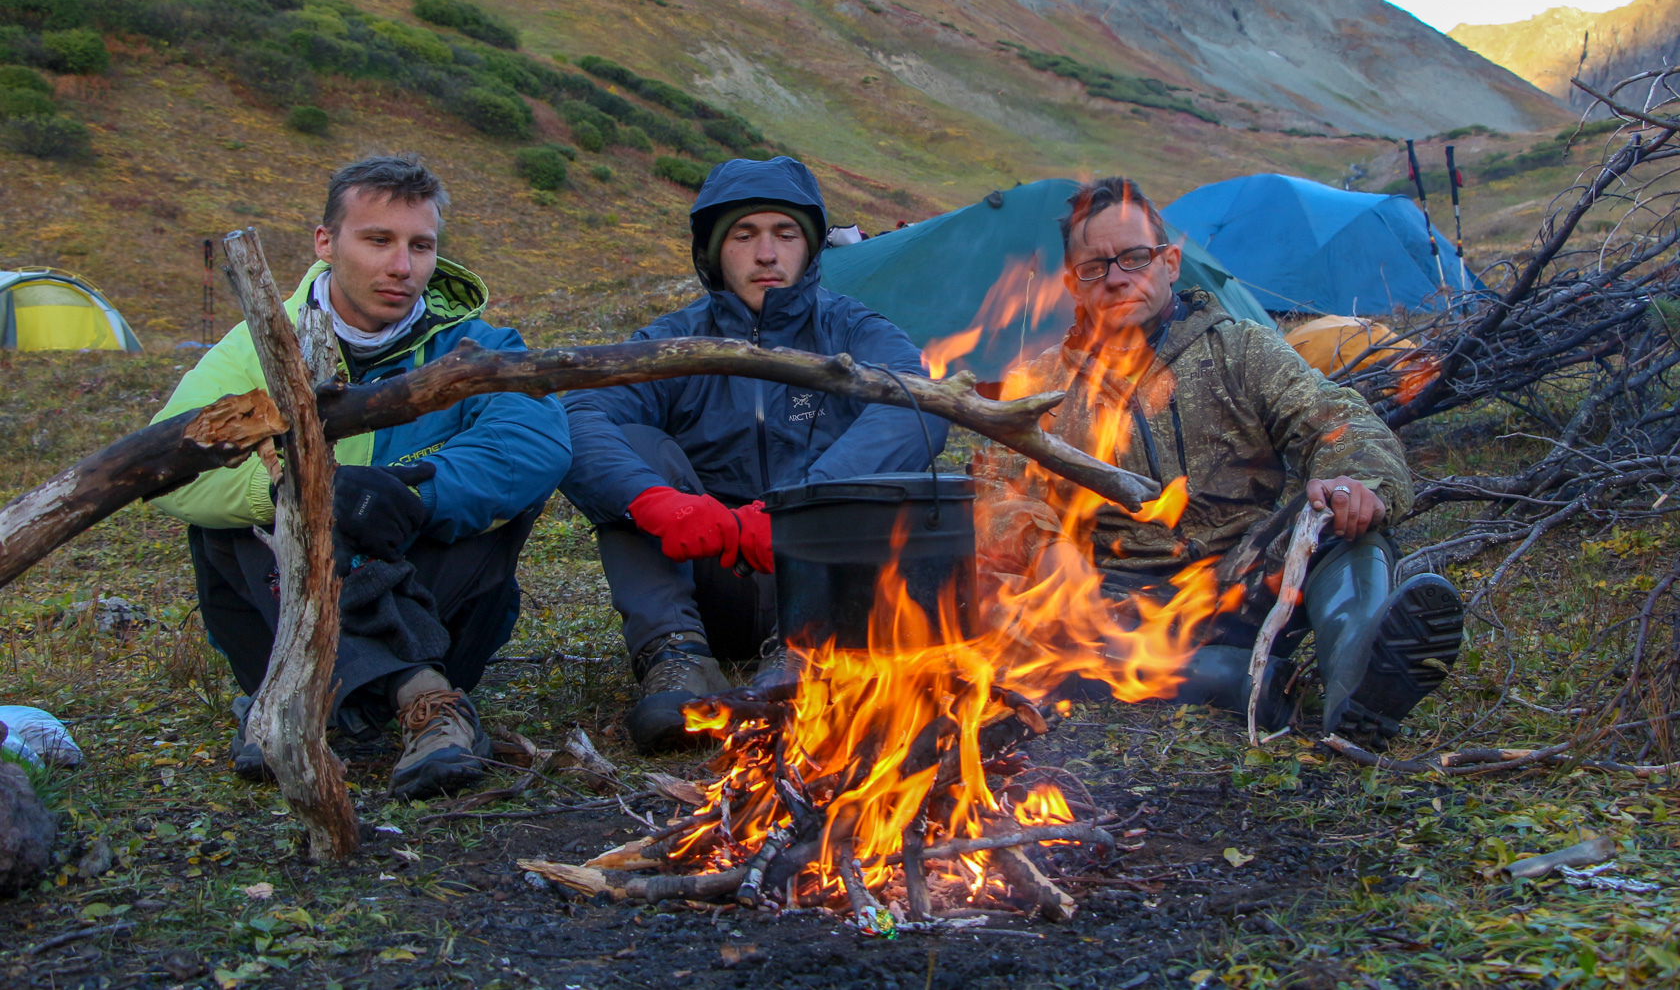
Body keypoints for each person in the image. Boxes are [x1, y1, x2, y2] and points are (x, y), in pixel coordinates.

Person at [973, 177, 1464, 743]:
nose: (1115, 277)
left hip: (1245, 582)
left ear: (1170, 262)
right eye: (1094, 267)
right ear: (1073, 285)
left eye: (1134, 257)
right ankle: (1227, 677)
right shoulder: (1036, 384)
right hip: (1108, 602)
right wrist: (1049, 551)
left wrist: (1356, 480)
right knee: (995, 601)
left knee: (1338, 523)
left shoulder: (1241, 350)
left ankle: (1356, 679)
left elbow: (1336, 419)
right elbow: (994, 491)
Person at [150, 156, 572, 798]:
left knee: (485, 492)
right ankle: (424, 699)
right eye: (378, 240)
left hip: (439, 614)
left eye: (420, 245)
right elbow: (169, 466)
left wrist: (411, 492)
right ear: (326, 242)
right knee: (257, 498)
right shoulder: (252, 349)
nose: (401, 267)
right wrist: (298, 492)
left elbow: (535, 441)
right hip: (283, 614)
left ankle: (289, 708)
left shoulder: (478, 346)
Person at [561, 156, 946, 752]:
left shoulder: (854, 331)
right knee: (632, 446)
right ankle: (677, 658)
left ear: (810, 247)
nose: (766, 254)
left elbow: (914, 405)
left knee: (891, 437)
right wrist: (657, 502)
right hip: (709, 572)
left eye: (785, 234)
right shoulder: (672, 342)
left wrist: (805, 510)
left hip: (819, 576)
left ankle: (803, 653)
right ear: (715, 252)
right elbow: (583, 416)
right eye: (744, 235)